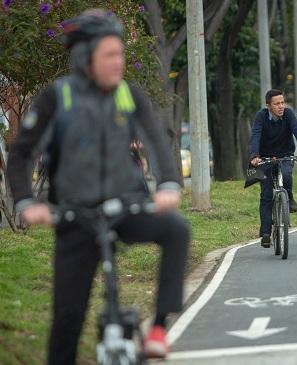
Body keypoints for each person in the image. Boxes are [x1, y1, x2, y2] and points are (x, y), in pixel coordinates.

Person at [6, 9, 190, 363]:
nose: (119, 62)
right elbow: (20, 155)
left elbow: (155, 141)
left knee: (176, 230)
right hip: (75, 216)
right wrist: (27, 202)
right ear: (84, 58)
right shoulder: (57, 97)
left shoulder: (128, 95)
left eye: (120, 53)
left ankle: (157, 330)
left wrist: (168, 184)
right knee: (67, 320)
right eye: (110, 55)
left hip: (127, 206)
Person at [249, 89, 297, 248]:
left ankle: (288, 197)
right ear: (268, 105)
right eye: (277, 104)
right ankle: (266, 233)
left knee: (287, 174)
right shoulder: (261, 117)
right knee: (266, 194)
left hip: (285, 154)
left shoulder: (288, 114)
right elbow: (255, 135)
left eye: (282, 102)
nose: (281, 106)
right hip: (265, 157)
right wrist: (254, 156)